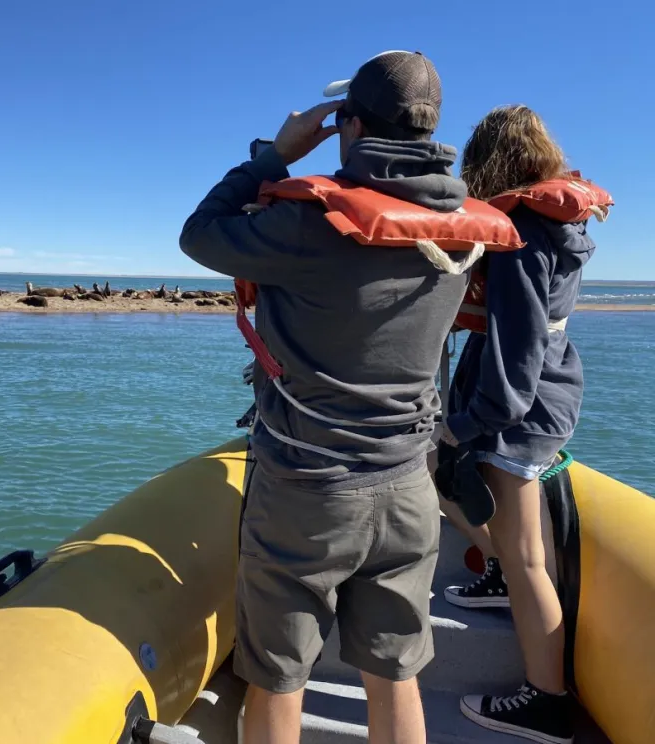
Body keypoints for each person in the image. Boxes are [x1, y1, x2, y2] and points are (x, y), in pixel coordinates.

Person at [179, 51, 520, 744]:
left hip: (308, 490)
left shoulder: (307, 225)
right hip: (408, 489)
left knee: (278, 678)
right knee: (395, 679)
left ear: (350, 125)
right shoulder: (461, 234)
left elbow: (200, 234)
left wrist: (275, 155)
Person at [439, 105, 609, 744]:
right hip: (549, 396)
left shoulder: (521, 240)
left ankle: (546, 701)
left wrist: (470, 423)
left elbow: (517, 352)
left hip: (520, 409)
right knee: (445, 480)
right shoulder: (554, 226)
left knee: (531, 559)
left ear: (488, 166)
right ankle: (500, 575)